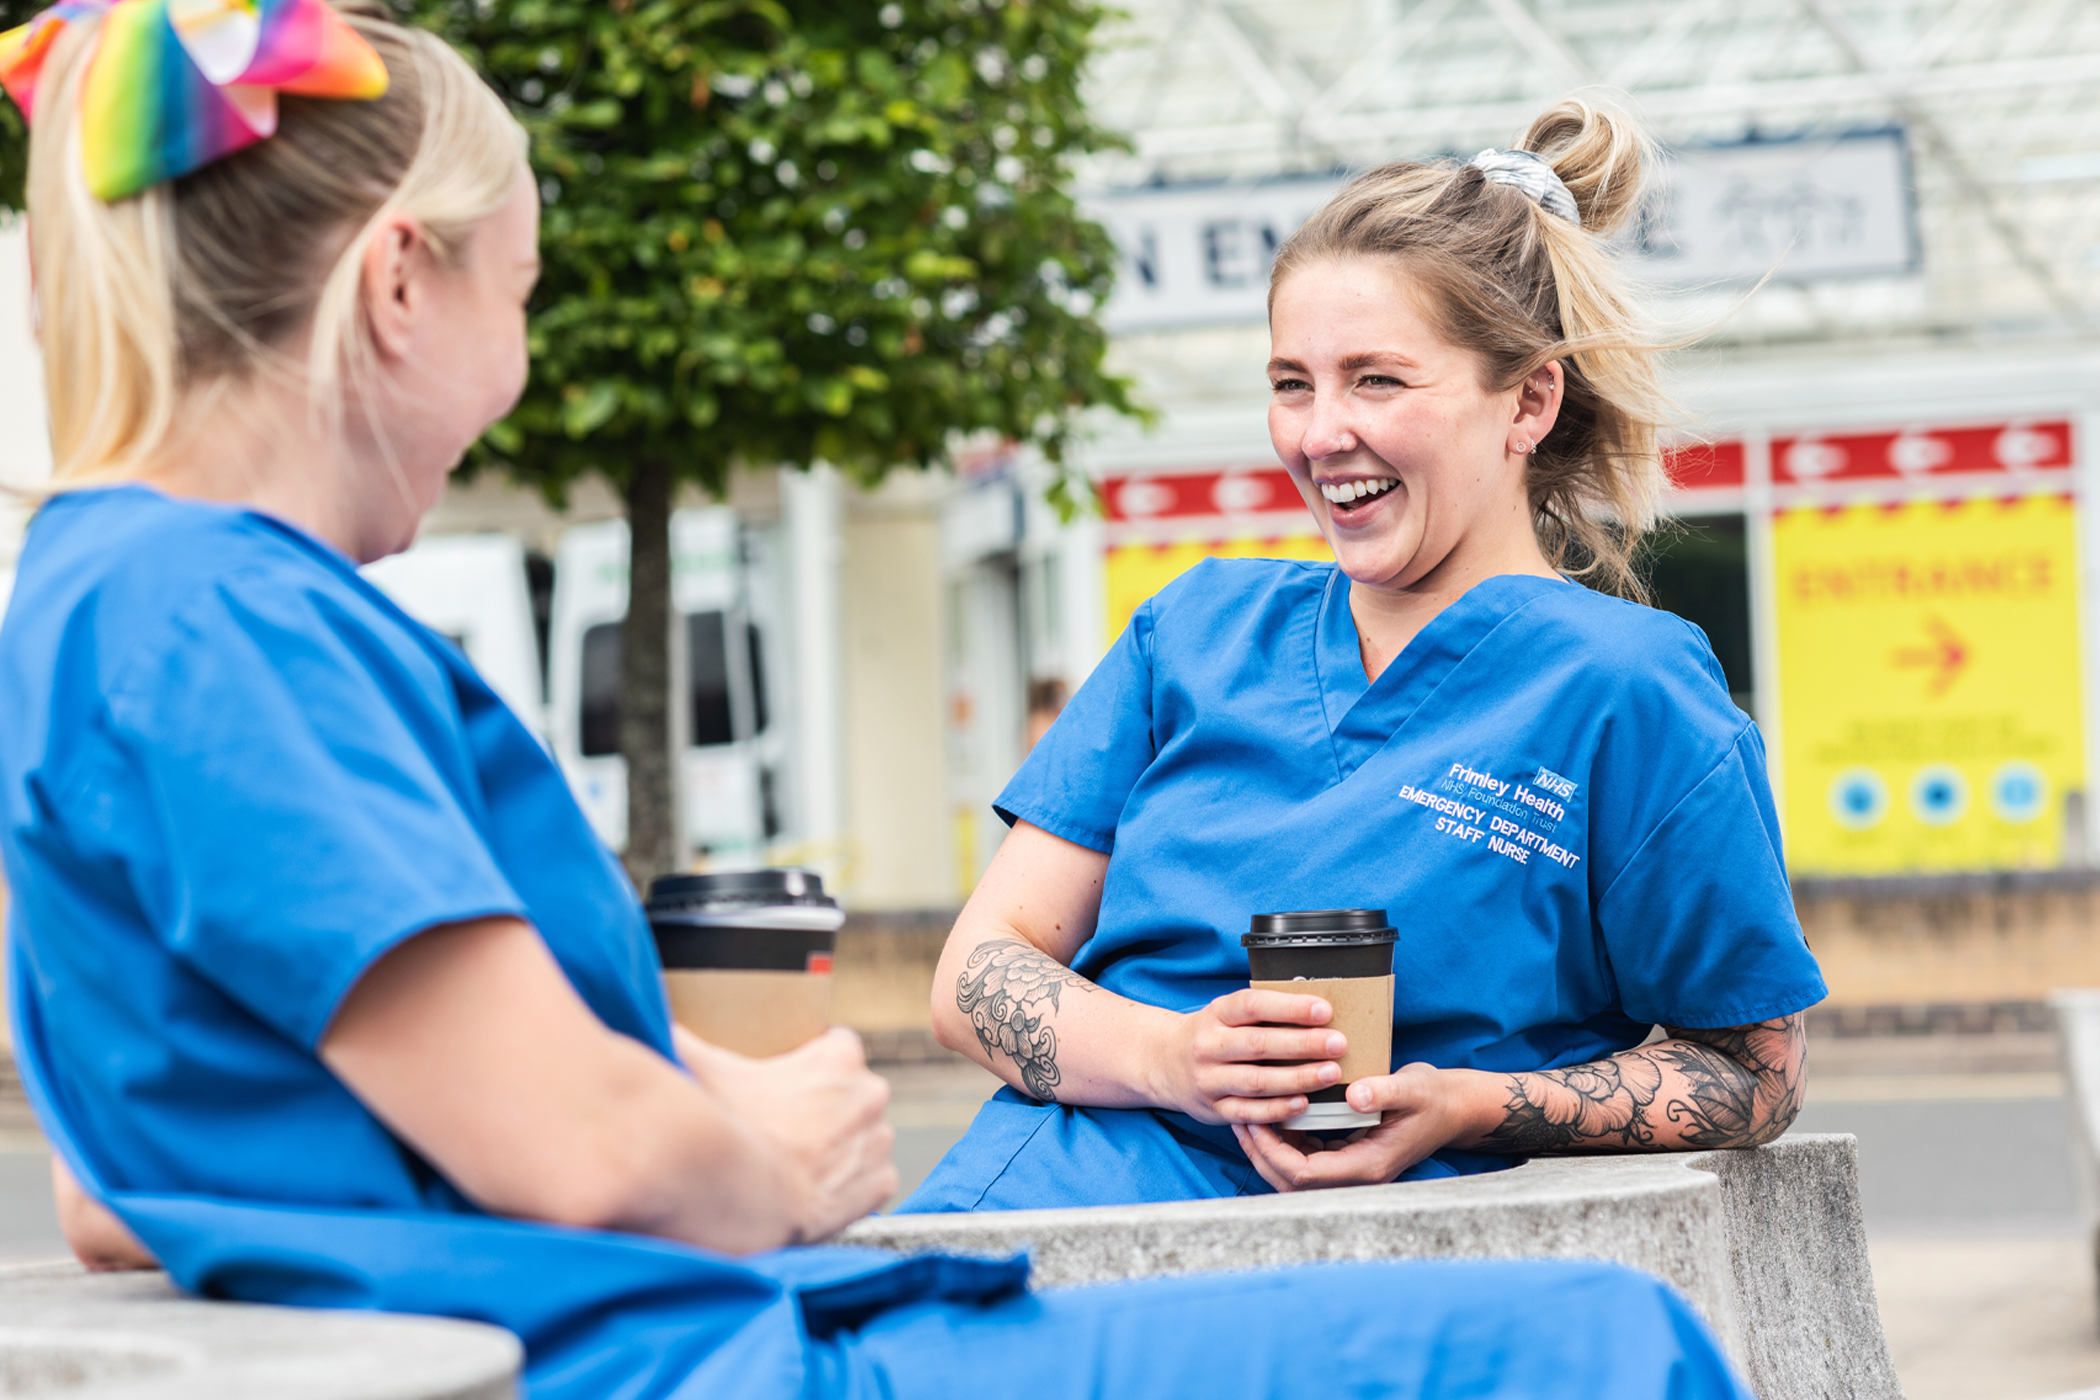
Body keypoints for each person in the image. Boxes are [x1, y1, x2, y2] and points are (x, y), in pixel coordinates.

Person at [0, 3, 1756, 1397]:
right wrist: (768, 1143)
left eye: (1379, 378)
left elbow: (122, 1182)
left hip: (671, 1321)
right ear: (399, 283)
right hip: (686, 1341)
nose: (522, 371)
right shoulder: (214, 624)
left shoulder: (130, 602)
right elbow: (599, 1160)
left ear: (1524, 405)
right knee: (1603, 1348)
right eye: (522, 296)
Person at [899, 101, 1826, 1214]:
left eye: (1377, 379)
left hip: (1368, 1281)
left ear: (1528, 398)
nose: (1318, 431)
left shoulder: (1629, 694)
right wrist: (1174, 1056)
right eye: (1293, 381)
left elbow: (1752, 1072)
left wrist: (1477, 1102)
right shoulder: (1192, 629)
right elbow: (975, 971)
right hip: (1029, 1219)